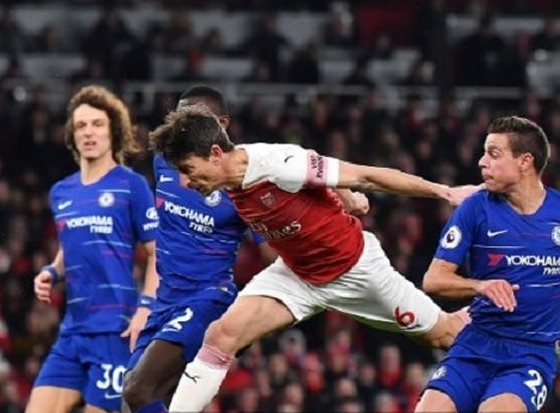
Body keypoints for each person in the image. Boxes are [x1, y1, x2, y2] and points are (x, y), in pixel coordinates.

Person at [147, 106, 475, 412]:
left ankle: (492, 325)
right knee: (221, 335)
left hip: (356, 271)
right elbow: (321, 164)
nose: (185, 182)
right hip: (297, 275)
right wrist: (346, 198)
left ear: (216, 154)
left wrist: (442, 191)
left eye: (188, 170)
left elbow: (365, 176)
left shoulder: (277, 165)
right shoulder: (232, 177)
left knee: (443, 335)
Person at [122, 86, 271, 413]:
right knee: (147, 400)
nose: (182, 130)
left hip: (207, 300)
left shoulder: (242, 182)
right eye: (178, 120)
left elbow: (272, 255)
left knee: (138, 390)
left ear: (222, 124)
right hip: (165, 302)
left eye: (192, 121)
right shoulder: (165, 159)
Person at [27, 85, 159, 413]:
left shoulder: (132, 185)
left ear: (114, 130)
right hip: (73, 330)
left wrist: (146, 307)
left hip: (115, 327)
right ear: (72, 135)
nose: (89, 132)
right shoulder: (62, 192)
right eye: (81, 125)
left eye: (97, 124)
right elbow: (72, 243)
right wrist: (51, 271)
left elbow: (159, 253)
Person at [416, 116, 558, 413]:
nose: (482, 162)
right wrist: (479, 285)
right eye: (483, 153)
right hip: (476, 344)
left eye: (493, 154)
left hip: (531, 354)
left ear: (525, 162)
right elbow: (433, 280)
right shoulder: (475, 208)